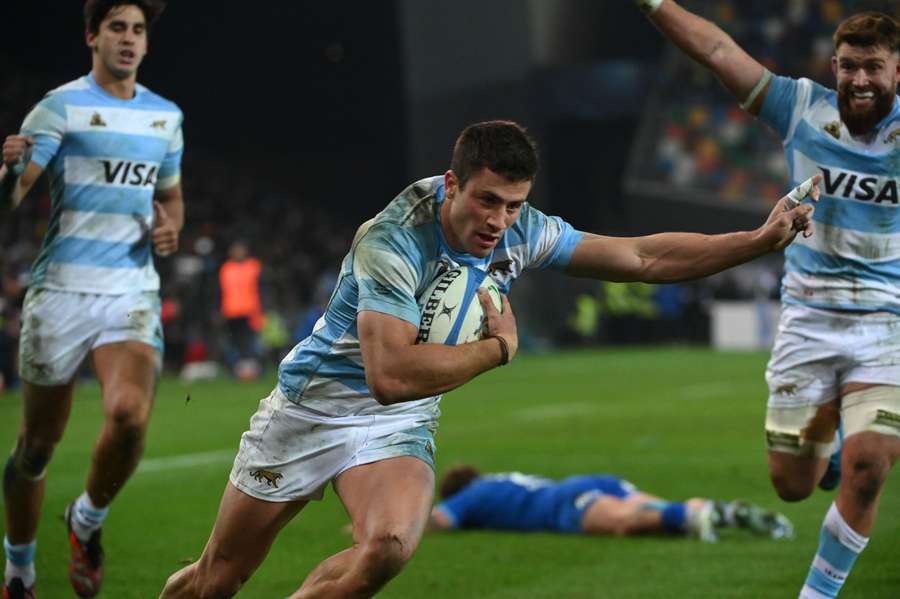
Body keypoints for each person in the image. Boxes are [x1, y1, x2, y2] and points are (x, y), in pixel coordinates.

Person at [160, 120, 817, 599]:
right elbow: (388, 374)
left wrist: (757, 240)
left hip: (397, 423)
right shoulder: (393, 238)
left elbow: (640, 258)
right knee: (219, 576)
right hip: (314, 406)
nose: (500, 219)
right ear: (452, 184)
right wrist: (494, 349)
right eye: (486, 200)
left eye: (513, 204)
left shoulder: (520, 228)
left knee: (387, 546)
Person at [635, 2, 899, 597]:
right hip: (809, 316)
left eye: (874, 68)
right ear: (834, 65)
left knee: (871, 465)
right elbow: (716, 51)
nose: (860, 79)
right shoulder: (800, 106)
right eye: (850, 66)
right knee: (792, 484)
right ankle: (825, 451)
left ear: (896, 72)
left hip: (888, 322)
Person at [0, 1, 183, 597]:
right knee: (35, 449)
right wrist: (9, 174)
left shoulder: (166, 118)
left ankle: (86, 520)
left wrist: (170, 228)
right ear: (92, 37)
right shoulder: (61, 106)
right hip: (60, 294)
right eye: (117, 28)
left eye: (138, 30)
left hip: (129, 291)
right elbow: (13, 198)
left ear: (147, 44)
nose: (129, 39)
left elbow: (171, 199)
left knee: (129, 416)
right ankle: (20, 570)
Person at [428, 465, 794, 543]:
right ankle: (727, 512)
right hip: (591, 481)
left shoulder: (470, 496)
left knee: (623, 522)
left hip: (564, 502)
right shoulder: (499, 479)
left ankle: (694, 516)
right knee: (659, 509)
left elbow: (440, 519)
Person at [218, 241, 263, 378]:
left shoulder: (253, 266)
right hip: (231, 312)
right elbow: (220, 291)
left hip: (250, 311)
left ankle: (255, 370)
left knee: (251, 343)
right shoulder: (226, 268)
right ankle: (236, 370)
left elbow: (262, 288)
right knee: (234, 343)